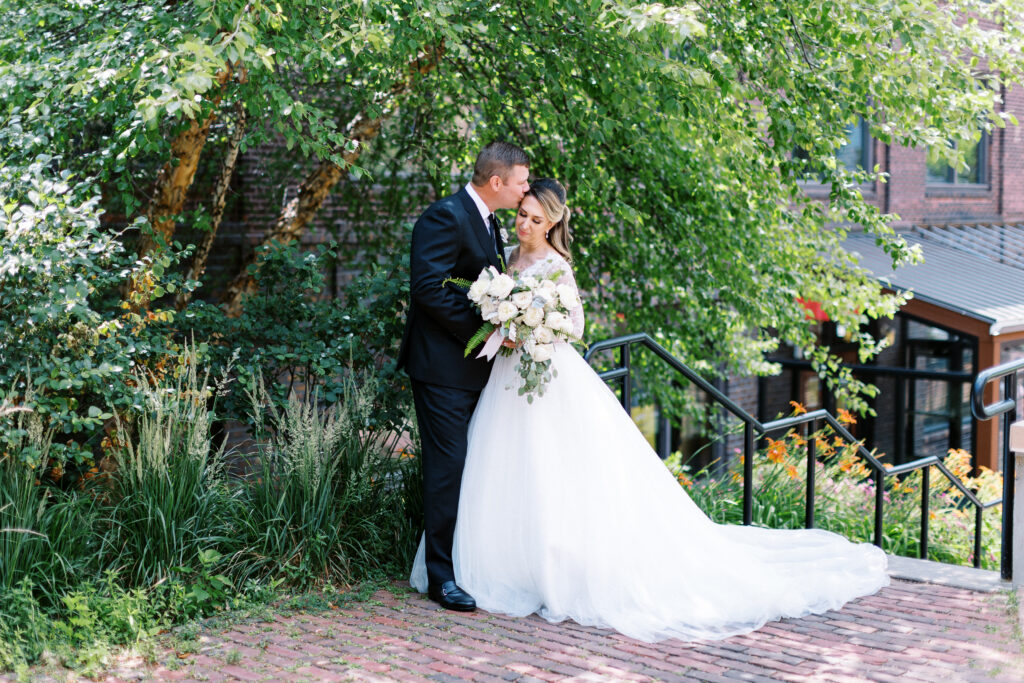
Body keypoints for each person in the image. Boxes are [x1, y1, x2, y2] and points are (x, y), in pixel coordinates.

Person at [410, 178, 889, 641]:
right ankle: (500, 561)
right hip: (506, 376)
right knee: (502, 466)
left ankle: (555, 565)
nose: (524, 224)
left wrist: (536, 329)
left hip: (545, 375)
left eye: (534, 218)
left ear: (552, 223)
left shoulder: (556, 264)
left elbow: (573, 325)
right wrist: (506, 320)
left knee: (553, 468)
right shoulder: (509, 254)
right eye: (522, 214)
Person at [397, 141, 530, 612]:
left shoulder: (489, 222)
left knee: (472, 467)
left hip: (474, 369)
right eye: (521, 181)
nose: (525, 189)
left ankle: (467, 563)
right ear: (497, 183)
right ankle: (441, 579)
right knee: (446, 469)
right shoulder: (445, 216)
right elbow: (428, 290)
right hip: (441, 370)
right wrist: (491, 327)